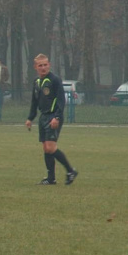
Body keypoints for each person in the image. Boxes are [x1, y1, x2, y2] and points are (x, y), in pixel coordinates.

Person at [25, 53, 78, 185]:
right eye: (40, 65)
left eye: (45, 65)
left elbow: (61, 100)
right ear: (35, 67)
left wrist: (57, 117)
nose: (43, 68)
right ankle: (51, 178)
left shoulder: (55, 80)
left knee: (51, 147)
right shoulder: (36, 82)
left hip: (53, 116)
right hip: (43, 117)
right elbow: (34, 101)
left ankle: (71, 170)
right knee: (46, 148)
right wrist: (30, 118)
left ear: (49, 65)